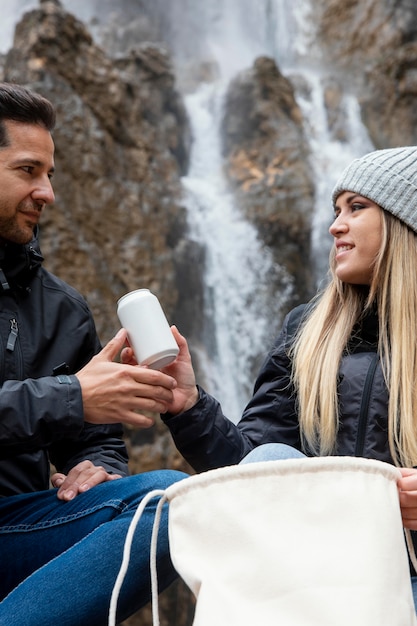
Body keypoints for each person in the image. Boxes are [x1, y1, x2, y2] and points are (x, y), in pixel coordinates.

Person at [124, 146, 417, 608]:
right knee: (273, 459)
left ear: (405, 223)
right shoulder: (307, 328)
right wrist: (189, 405)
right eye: (335, 210)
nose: (335, 225)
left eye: (356, 208)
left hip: (406, 571)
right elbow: (251, 470)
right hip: (320, 570)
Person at [0, 82, 187, 625]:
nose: (47, 193)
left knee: (172, 500)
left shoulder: (61, 307)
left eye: (49, 175)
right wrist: (72, 395)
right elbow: (72, 402)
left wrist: (97, 466)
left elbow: (95, 436)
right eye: (28, 170)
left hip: (17, 525)